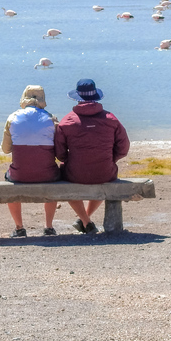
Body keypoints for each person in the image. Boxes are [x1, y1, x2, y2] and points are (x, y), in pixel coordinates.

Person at [55, 78, 130, 234]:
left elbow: (60, 153)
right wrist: (110, 159)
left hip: (75, 173)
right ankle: (85, 220)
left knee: (64, 176)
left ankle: (85, 220)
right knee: (103, 178)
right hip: (104, 172)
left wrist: (72, 161)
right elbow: (123, 148)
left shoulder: (66, 121)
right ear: (96, 96)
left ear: (77, 98)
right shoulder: (111, 119)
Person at [2, 85, 60, 238]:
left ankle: (19, 228)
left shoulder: (12, 118)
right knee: (53, 179)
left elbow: (6, 149)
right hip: (48, 174)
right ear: (43, 99)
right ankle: (48, 227)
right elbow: (60, 152)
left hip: (19, 175)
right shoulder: (51, 119)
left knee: (9, 182)